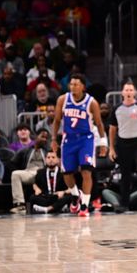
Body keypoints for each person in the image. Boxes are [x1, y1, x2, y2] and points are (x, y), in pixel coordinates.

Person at [51, 73, 108, 217]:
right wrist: (53, 139)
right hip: (68, 139)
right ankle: (75, 195)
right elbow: (57, 121)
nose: (73, 87)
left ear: (83, 87)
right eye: (71, 84)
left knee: (86, 171)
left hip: (85, 139)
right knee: (67, 173)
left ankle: (84, 205)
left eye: (76, 84)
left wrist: (103, 142)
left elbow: (99, 123)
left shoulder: (92, 102)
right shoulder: (62, 99)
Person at [108, 82, 137, 213]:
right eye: (126, 90)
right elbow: (112, 129)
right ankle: (124, 203)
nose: (128, 92)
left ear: (134, 92)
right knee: (125, 174)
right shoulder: (117, 108)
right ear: (122, 93)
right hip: (123, 144)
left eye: (131, 90)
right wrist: (111, 148)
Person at [10, 130, 50, 213]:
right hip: (29, 171)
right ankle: (20, 205)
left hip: (42, 172)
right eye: (42, 137)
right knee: (15, 174)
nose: (44, 139)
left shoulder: (47, 151)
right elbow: (12, 162)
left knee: (40, 173)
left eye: (46, 138)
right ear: (36, 137)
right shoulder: (26, 150)